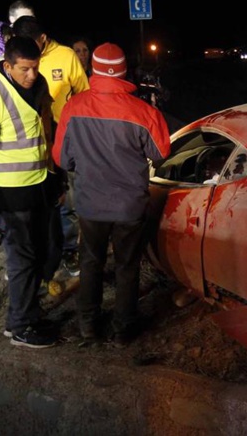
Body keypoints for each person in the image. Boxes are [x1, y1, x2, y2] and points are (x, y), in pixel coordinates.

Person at [52, 42, 170, 346]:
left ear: (92, 69)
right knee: (126, 266)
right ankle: (123, 329)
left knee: (91, 262)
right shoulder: (143, 112)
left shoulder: (73, 107)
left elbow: (62, 159)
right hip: (130, 206)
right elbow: (160, 153)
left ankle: (88, 325)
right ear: (124, 71)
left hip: (91, 204)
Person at [0, 36, 63, 349]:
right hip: (8, 194)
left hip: (39, 187)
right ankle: (20, 327)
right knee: (21, 261)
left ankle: (25, 317)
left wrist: (56, 180)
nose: (31, 75)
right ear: (7, 65)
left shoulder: (39, 85)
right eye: (24, 69)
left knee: (43, 254)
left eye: (34, 68)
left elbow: (45, 133)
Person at [14, 16, 90, 277]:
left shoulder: (66, 56)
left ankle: (70, 250)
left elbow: (84, 95)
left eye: (32, 44)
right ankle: (41, 254)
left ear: (43, 39)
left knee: (68, 199)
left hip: (64, 139)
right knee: (39, 201)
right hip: (31, 143)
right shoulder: (18, 59)